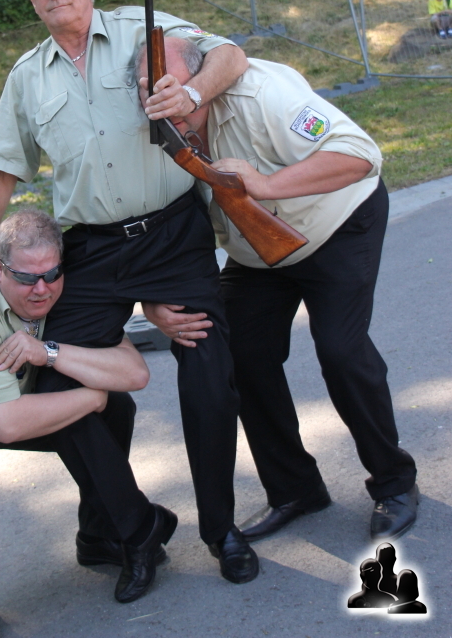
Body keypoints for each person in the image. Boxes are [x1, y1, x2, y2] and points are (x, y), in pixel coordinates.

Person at [0, 0, 260, 587]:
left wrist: (191, 93)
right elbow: (1, 170)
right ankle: (131, 530)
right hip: (91, 248)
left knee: (207, 376)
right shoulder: (27, 77)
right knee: (60, 387)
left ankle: (221, 529)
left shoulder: (143, 27)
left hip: (171, 234)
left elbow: (231, 54)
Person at [136, 38, 418, 545]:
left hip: (336, 223)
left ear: (201, 81)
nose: (158, 96)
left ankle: (395, 482)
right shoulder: (150, 132)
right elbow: (152, 221)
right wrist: (151, 299)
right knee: (238, 353)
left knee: (342, 350)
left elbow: (360, 155)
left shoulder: (262, 95)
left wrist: (265, 185)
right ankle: (295, 489)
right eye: (147, 86)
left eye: (169, 84)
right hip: (256, 252)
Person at [0, 209, 174, 638]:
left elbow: (133, 372)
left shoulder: (68, 289)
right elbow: (6, 425)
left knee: (115, 409)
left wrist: (49, 352)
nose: (41, 289)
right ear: (0, 268)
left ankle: (100, 536)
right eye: (26, 278)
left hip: (16, 399)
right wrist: (91, 396)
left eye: (51, 273)